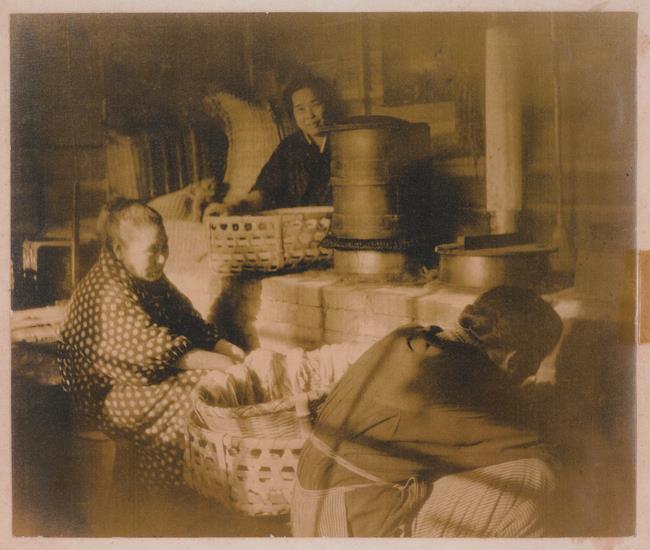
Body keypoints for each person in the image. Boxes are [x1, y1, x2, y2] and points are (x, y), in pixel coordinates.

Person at [291, 286, 563, 537]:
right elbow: (529, 446)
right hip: (344, 526)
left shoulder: (411, 339)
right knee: (533, 477)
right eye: (533, 364)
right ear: (514, 360)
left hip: (315, 508)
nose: (532, 374)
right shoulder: (457, 381)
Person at [57, 198, 245, 487]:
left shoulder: (145, 274)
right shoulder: (107, 290)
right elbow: (155, 350)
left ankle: (184, 478)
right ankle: (164, 486)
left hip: (136, 380)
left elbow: (187, 318)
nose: (161, 259)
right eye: (152, 250)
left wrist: (227, 348)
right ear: (119, 250)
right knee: (196, 390)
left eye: (164, 247)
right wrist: (225, 364)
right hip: (102, 397)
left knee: (214, 378)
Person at [211, 75, 338, 215]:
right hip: (298, 223)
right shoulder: (289, 147)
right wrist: (234, 208)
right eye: (300, 109)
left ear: (328, 104)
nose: (309, 115)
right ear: (293, 113)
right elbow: (265, 191)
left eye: (315, 104)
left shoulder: (346, 142)